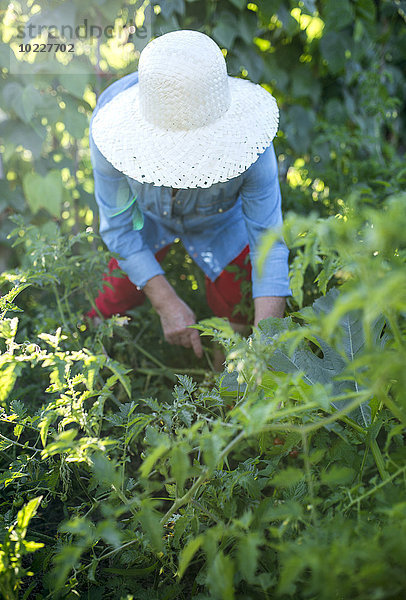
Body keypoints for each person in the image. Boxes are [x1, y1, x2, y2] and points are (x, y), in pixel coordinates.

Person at [87, 29, 291, 359]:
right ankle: (94, 359)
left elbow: (268, 246)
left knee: (237, 306)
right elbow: (119, 229)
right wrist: (166, 301)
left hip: (221, 224)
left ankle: (228, 388)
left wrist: (265, 348)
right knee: (112, 299)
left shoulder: (252, 150)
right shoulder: (109, 136)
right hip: (146, 220)